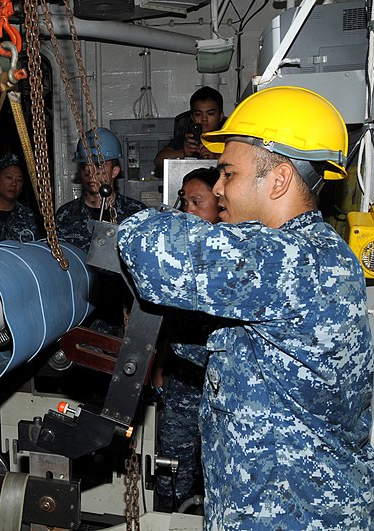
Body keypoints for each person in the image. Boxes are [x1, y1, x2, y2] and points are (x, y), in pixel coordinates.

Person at [118, 86, 374, 529]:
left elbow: (152, 253)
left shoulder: (298, 259)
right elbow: (231, 354)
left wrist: (128, 223)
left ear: (278, 180)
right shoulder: (290, 263)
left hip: (299, 517)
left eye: (229, 174)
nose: (218, 188)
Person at [152, 166, 220, 511]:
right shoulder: (178, 256)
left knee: (216, 468)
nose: (188, 210)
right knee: (172, 463)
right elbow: (168, 323)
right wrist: (160, 367)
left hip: (220, 385)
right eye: (185, 201)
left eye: (198, 201)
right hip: (182, 381)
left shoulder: (228, 258)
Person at [55, 127, 146, 253]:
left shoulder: (136, 213)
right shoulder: (65, 215)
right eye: (85, 167)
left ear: (115, 171)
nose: (91, 173)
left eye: (98, 166)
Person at [153, 86, 225, 170]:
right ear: (192, 117)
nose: (204, 119)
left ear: (221, 116)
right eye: (198, 114)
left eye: (210, 113)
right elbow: (158, 161)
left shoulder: (230, 140)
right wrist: (183, 152)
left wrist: (216, 157)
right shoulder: (188, 139)